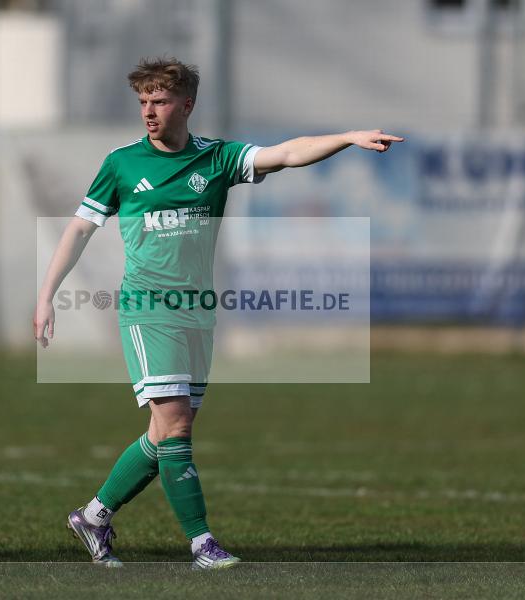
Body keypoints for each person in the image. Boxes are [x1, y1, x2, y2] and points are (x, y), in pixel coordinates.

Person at [34, 57, 403, 570]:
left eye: (159, 101)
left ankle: (94, 517)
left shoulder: (218, 159)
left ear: (187, 104)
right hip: (148, 308)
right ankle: (201, 543)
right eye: (143, 101)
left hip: (198, 312)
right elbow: (78, 229)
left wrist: (347, 136)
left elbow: (288, 153)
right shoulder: (122, 163)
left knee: (163, 435)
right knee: (177, 426)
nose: (149, 111)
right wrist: (47, 293)